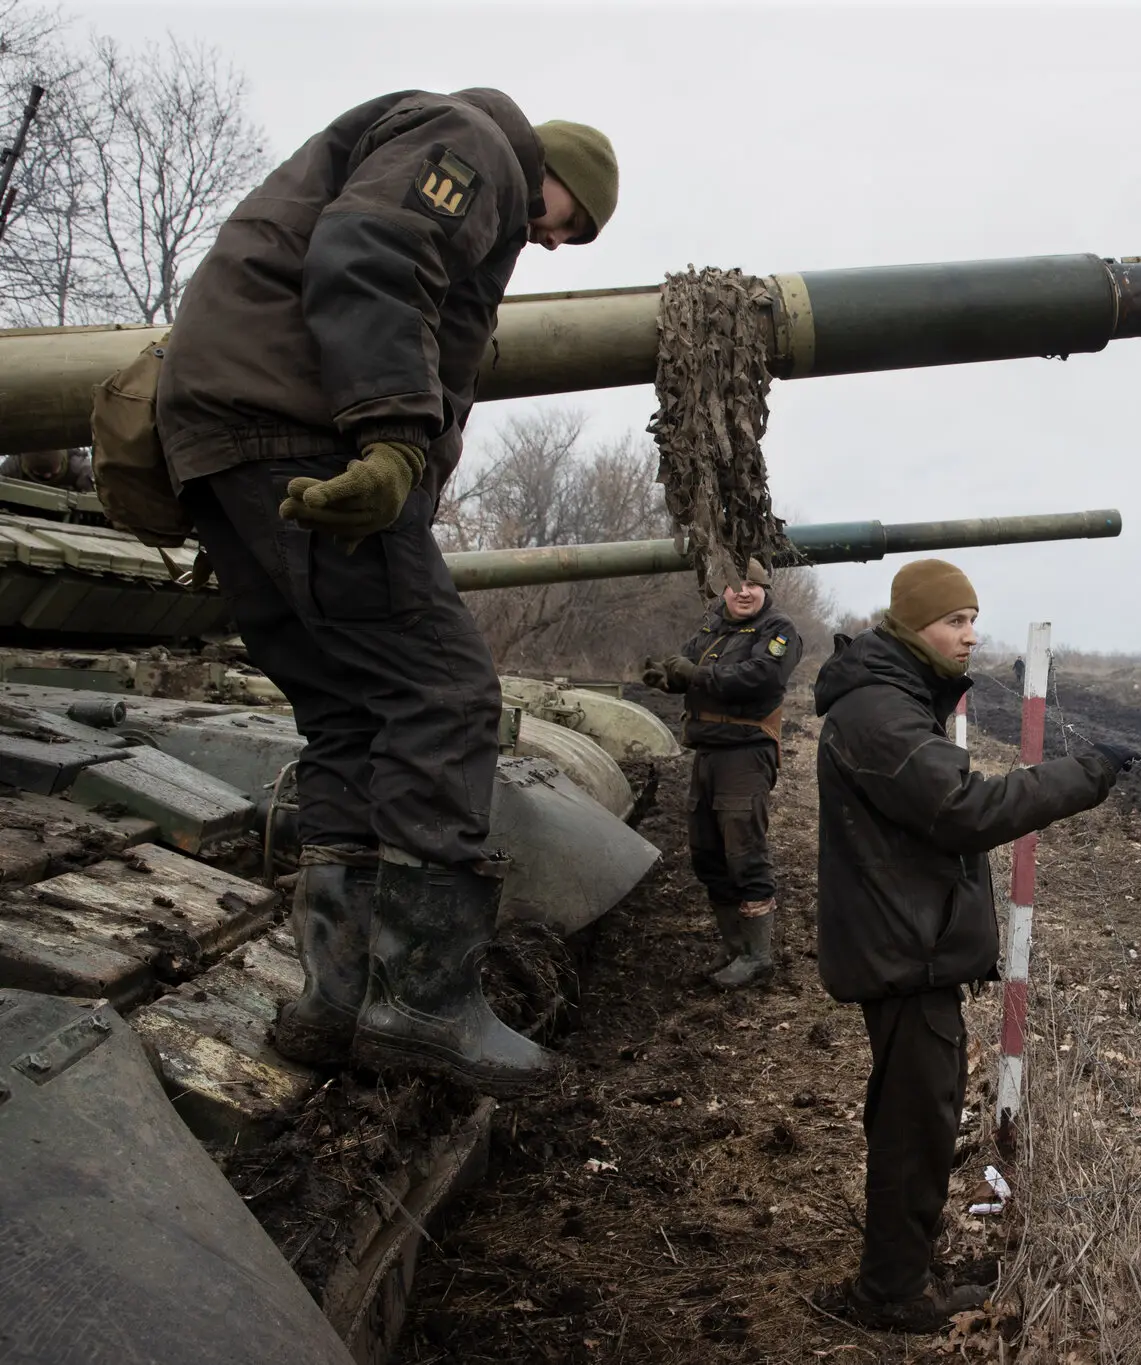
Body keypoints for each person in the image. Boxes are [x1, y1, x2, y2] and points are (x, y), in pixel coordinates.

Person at [156, 89, 619, 1098]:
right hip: (303, 434)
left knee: (346, 713)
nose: (547, 241)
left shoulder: (427, 141)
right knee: (444, 695)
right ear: (549, 173)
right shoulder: (476, 147)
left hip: (225, 442)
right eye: (562, 220)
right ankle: (423, 1007)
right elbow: (372, 253)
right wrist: (395, 434)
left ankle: (339, 998)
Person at [812, 559, 1136, 1332]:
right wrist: (1081, 775)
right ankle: (891, 1294)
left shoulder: (888, 700)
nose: (971, 632)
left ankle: (902, 1268)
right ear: (912, 624)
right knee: (913, 1124)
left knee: (915, 1116)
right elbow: (964, 807)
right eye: (955, 619)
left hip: (904, 946)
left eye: (973, 616)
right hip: (904, 955)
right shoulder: (879, 715)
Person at [641, 558, 802, 987]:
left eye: (753, 584)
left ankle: (758, 955)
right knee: (707, 852)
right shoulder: (713, 628)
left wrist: (696, 674)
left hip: (746, 753)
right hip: (709, 752)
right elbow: (692, 670)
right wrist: (668, 678)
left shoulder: (778, 631)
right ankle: (733, 946)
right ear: (722, 591)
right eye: (735, 585)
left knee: (744, 851)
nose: (743, 592)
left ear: (766, 588)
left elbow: (760, 678)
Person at [0, 448, 94, 492]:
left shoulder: (79, 468)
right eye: (39, 473)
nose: (47, 476)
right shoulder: (12, 467)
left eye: (52, 472)